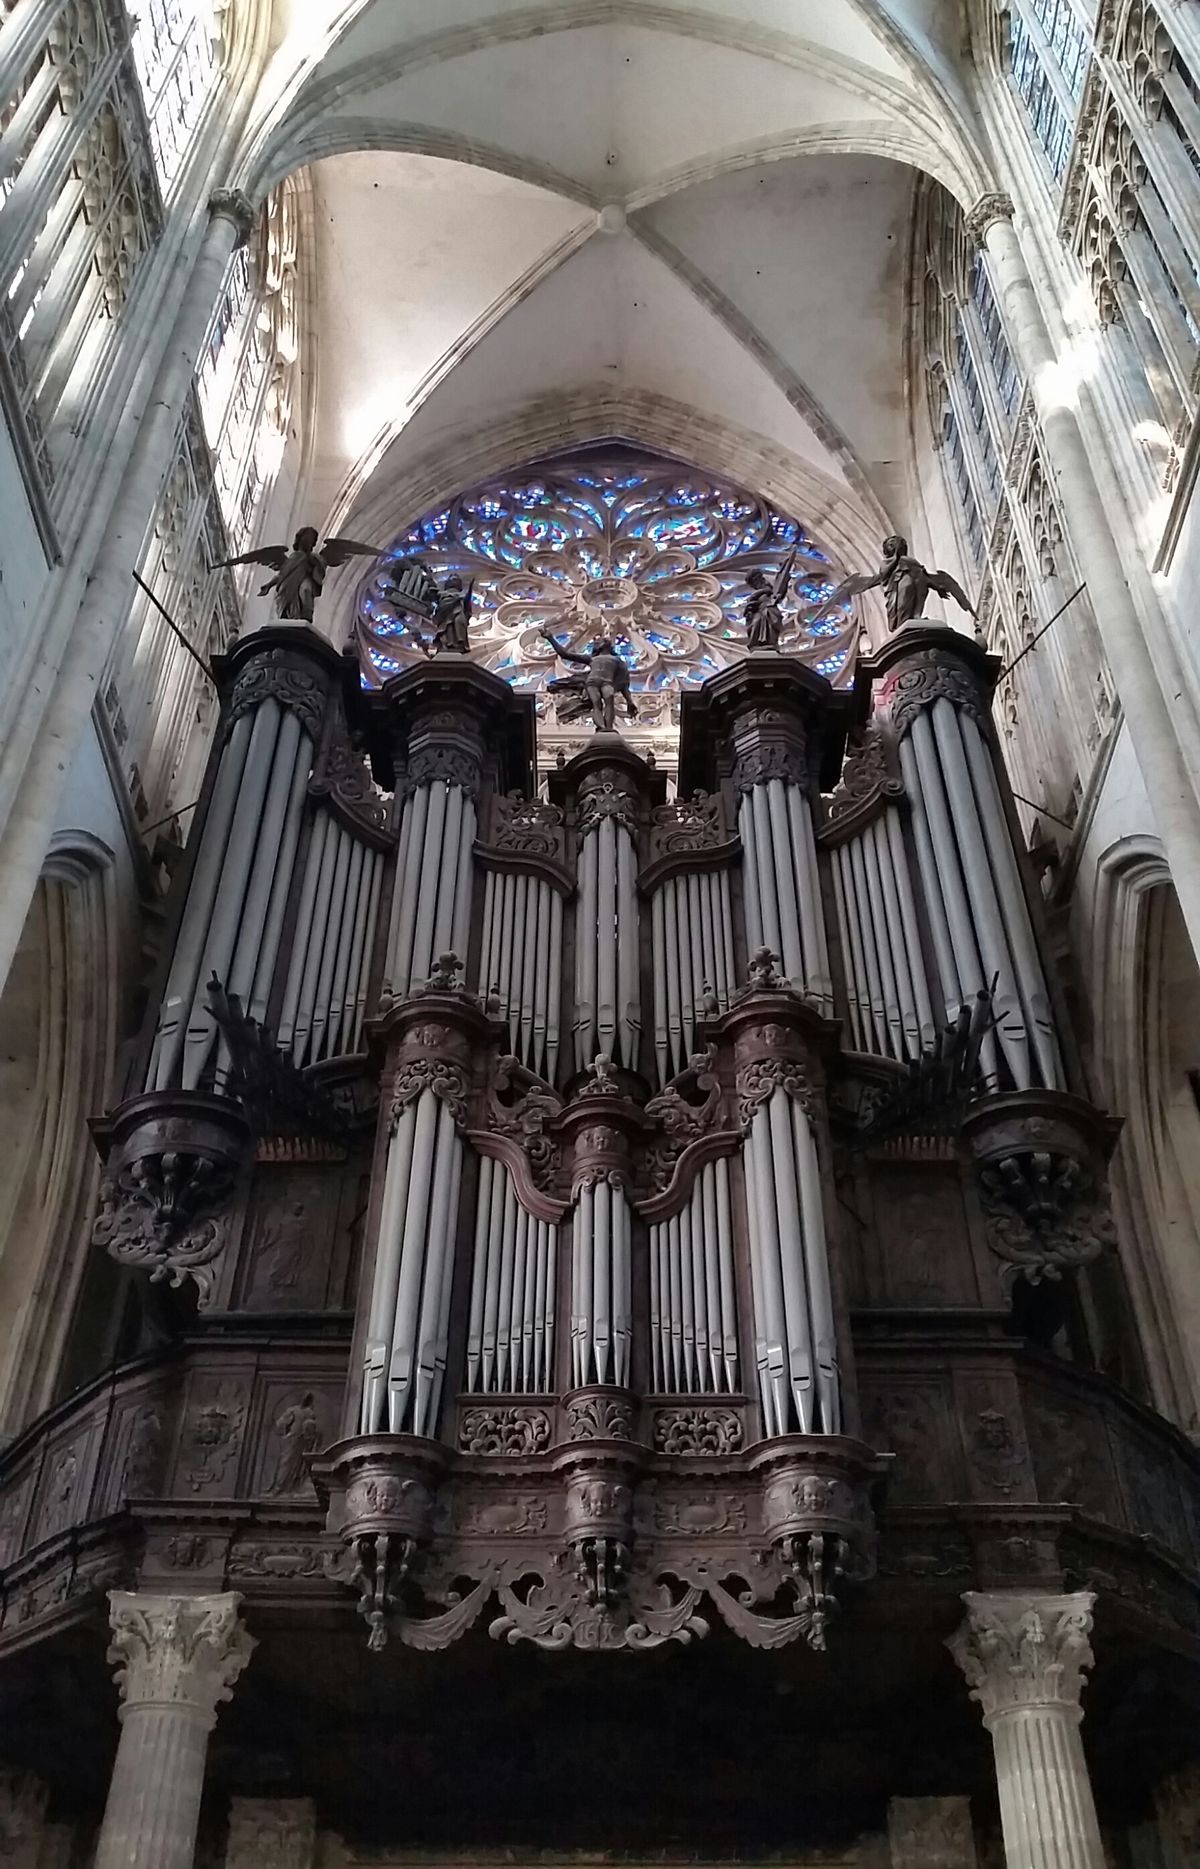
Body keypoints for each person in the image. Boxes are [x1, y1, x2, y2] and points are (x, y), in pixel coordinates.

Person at [808, 534, 977, 634]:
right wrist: (895, 559)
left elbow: (923, 575)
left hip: (919, 584)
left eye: (897, 544)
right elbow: (882, 575)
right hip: (899, 584)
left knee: (917, 597)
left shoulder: (910, 561)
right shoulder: (888, 562)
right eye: (892, 545)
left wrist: (938, 586)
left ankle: (916, 617)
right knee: (904, 598)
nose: (895, 546)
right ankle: (904, 623)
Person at [216, 527, 383, 624]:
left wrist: (314, 563)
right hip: (286, 589)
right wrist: (268, 585)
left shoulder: (316, 557)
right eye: (306, 538)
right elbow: (283, 574)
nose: (308, 541)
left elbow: (320, 568)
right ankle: (290, 620)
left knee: (305, 591)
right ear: (300, 539)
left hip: (304, 582)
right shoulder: (292, 557)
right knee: (287, 611)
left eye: (311, 539)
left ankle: (305, 618)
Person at [540, 629, 639, 732]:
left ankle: (608, 728)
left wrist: (630, 702)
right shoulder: (592, 659)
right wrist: (550, 638)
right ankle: (601, 727)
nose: (597, 643)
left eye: (599, 642)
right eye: (597, 642)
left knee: (609, 701)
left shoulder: (617, 660)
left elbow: (624, 682)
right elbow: (564, 654)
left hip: (607, 682)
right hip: (592, 682)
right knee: (597, 704)